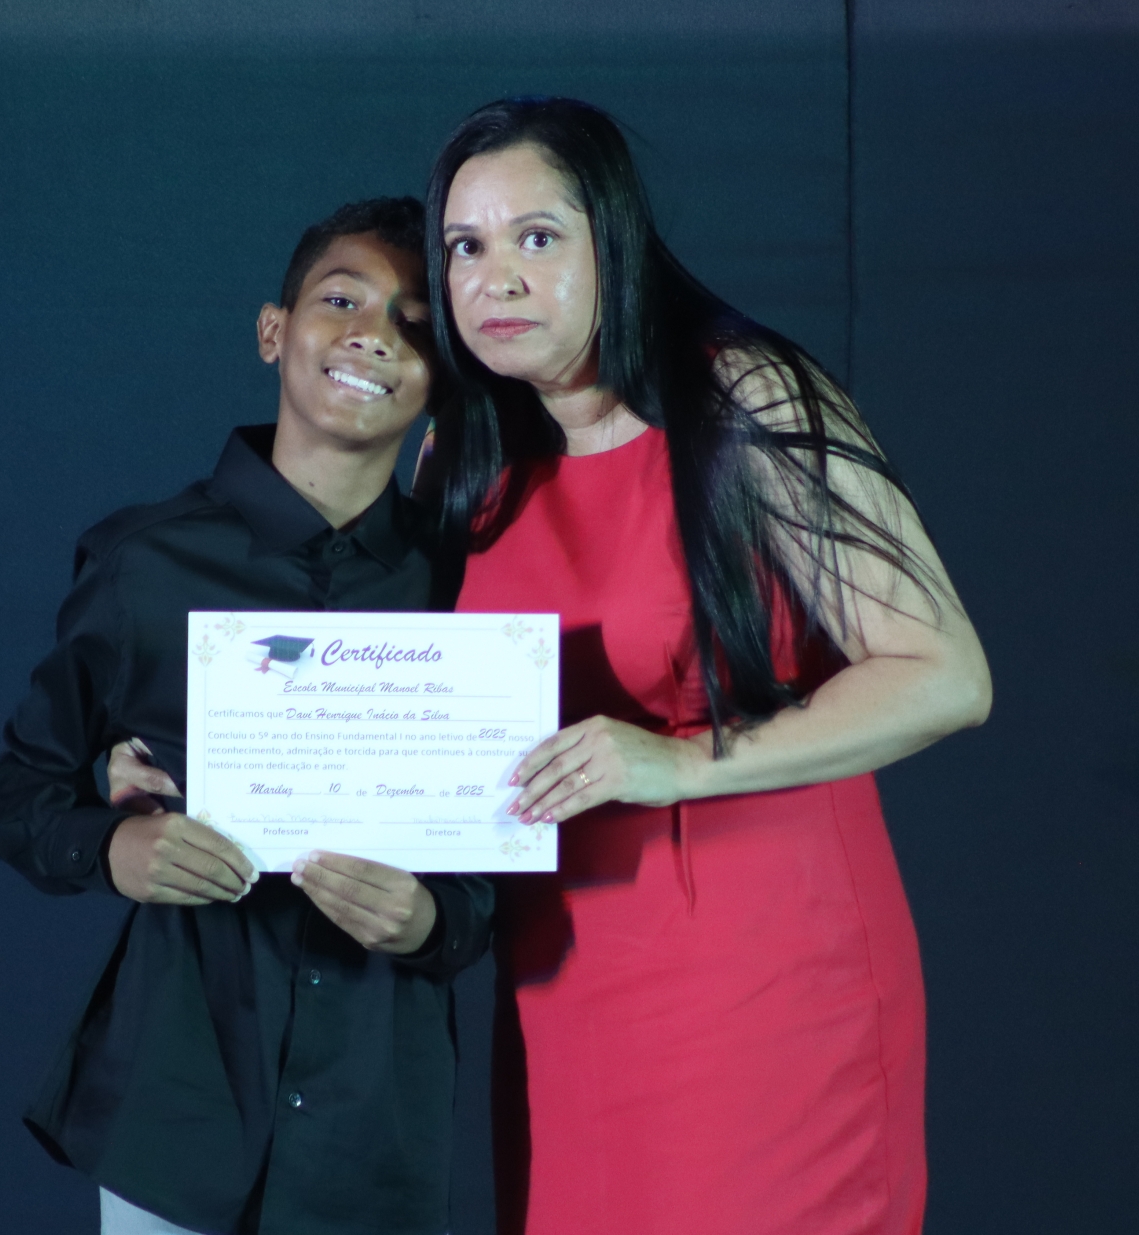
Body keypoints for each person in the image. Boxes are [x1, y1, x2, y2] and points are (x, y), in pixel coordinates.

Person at [425, 98, 992, 1235]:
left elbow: (944, 674)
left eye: (538, 236)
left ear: (614, 238)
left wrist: (677, 761)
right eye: (466, 247)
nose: (497, 278)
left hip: (762, 967)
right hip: (561, 973)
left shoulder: (744, 393)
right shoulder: (465, 450)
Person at [0, 197, 495, 1235]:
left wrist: (434, 920)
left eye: (413, 323)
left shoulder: (468, 585)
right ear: (273, 330)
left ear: (443, 376)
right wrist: (114, 845)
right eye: (340, 300)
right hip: (179, 1105)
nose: (372, 334)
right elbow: (18, 788)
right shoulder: (146, 561)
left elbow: (501, 859)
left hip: (373, 1118)